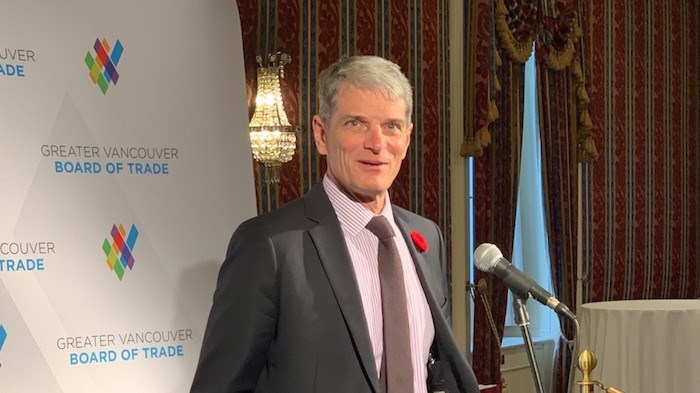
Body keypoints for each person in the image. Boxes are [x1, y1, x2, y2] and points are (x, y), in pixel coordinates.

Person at [190, 55, 479, 393]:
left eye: (391, 126)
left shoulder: (426, 237)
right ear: (321, 134)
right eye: (356, 123)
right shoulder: (269, 245)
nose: (377, 143)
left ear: (407, 138)